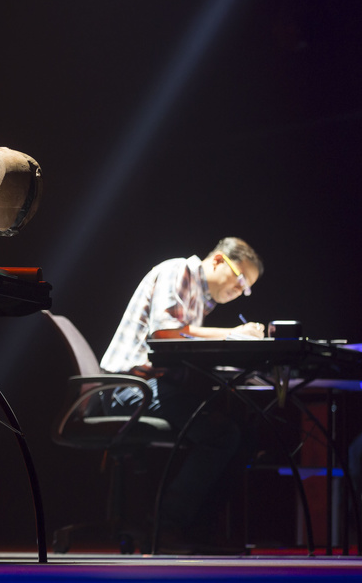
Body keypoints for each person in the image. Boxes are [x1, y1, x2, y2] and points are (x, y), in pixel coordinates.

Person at [99, 237, 264, 553]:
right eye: (241, 279)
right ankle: (167, 526)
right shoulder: (180, 270)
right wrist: (234, 334)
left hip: (150, 387)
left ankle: (198, 528)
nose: (241, 291)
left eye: (248, 288)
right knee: (221, 434)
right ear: (217, 261)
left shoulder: (201, 300)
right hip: (128, 387)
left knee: (240, 432)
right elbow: (165, 333)